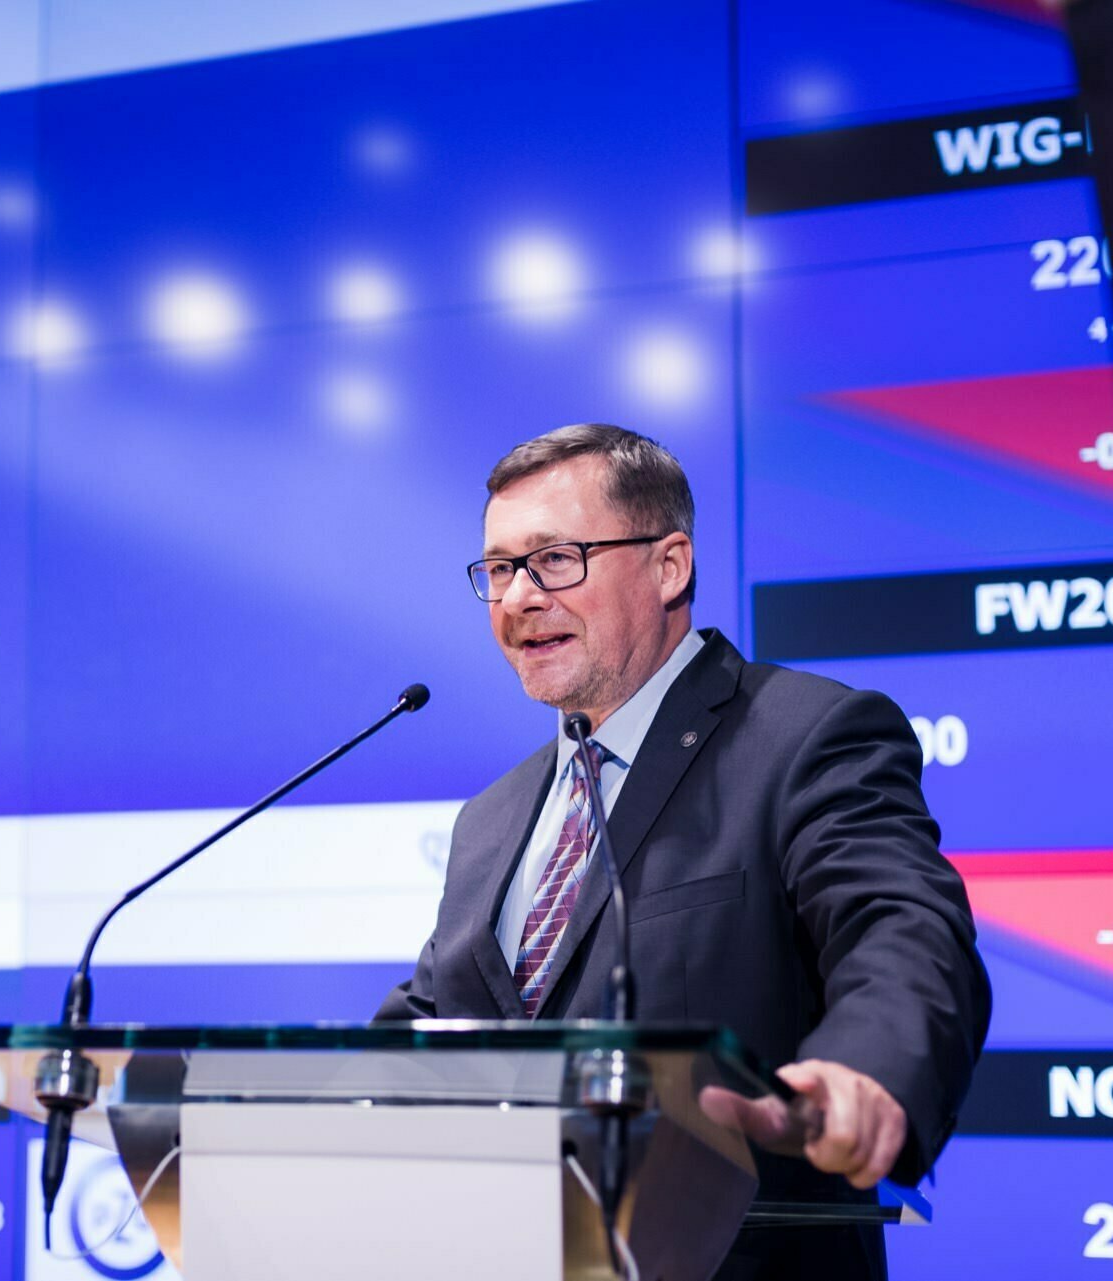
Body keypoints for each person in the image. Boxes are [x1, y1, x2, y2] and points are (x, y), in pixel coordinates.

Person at [376, 423, 991, 1281]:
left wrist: (867, 1070)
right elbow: (433, 1022)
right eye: (501, 569)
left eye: (555, 558)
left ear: (670, 564)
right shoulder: (493, 817)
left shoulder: (803, 736)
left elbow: (901, 928)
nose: (518, 597)